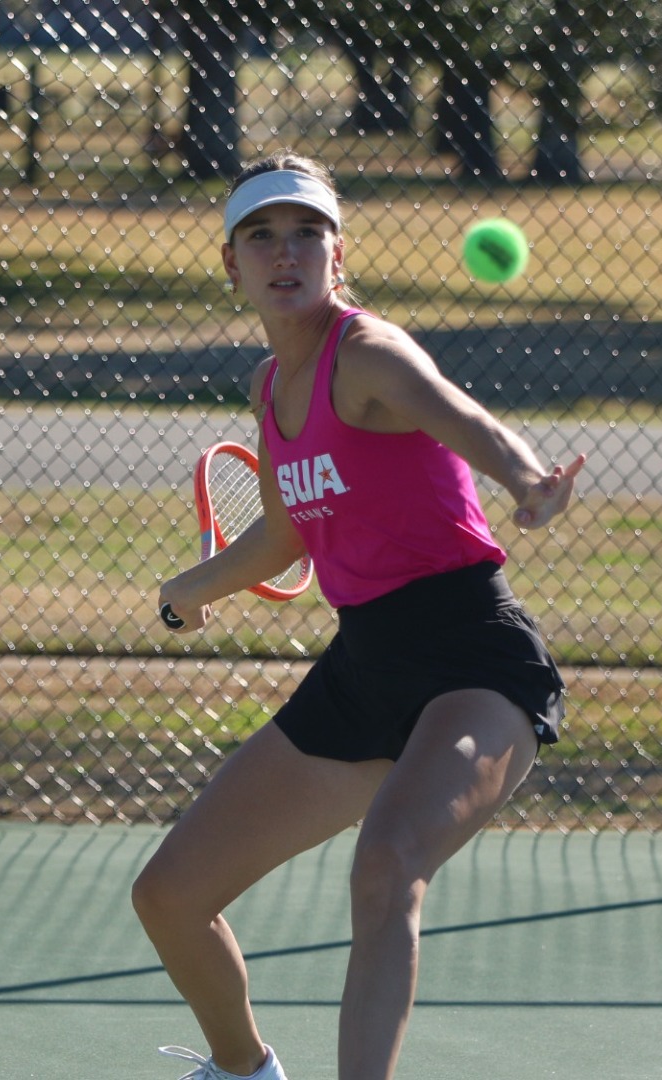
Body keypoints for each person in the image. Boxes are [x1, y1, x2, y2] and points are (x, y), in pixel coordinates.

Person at [135, 152, 586, 1080]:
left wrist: (525, 477)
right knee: (170, 895)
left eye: (307, 232)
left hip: (473, 658)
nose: (285, 252)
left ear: (337, 254)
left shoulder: (369, 352)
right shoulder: (269, 389)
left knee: (386, 866)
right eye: (262, 235)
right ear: (234, 264)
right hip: (364, 668)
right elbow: (282, 543)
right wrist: (187, 591)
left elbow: (462, 417)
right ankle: (243, 1070)